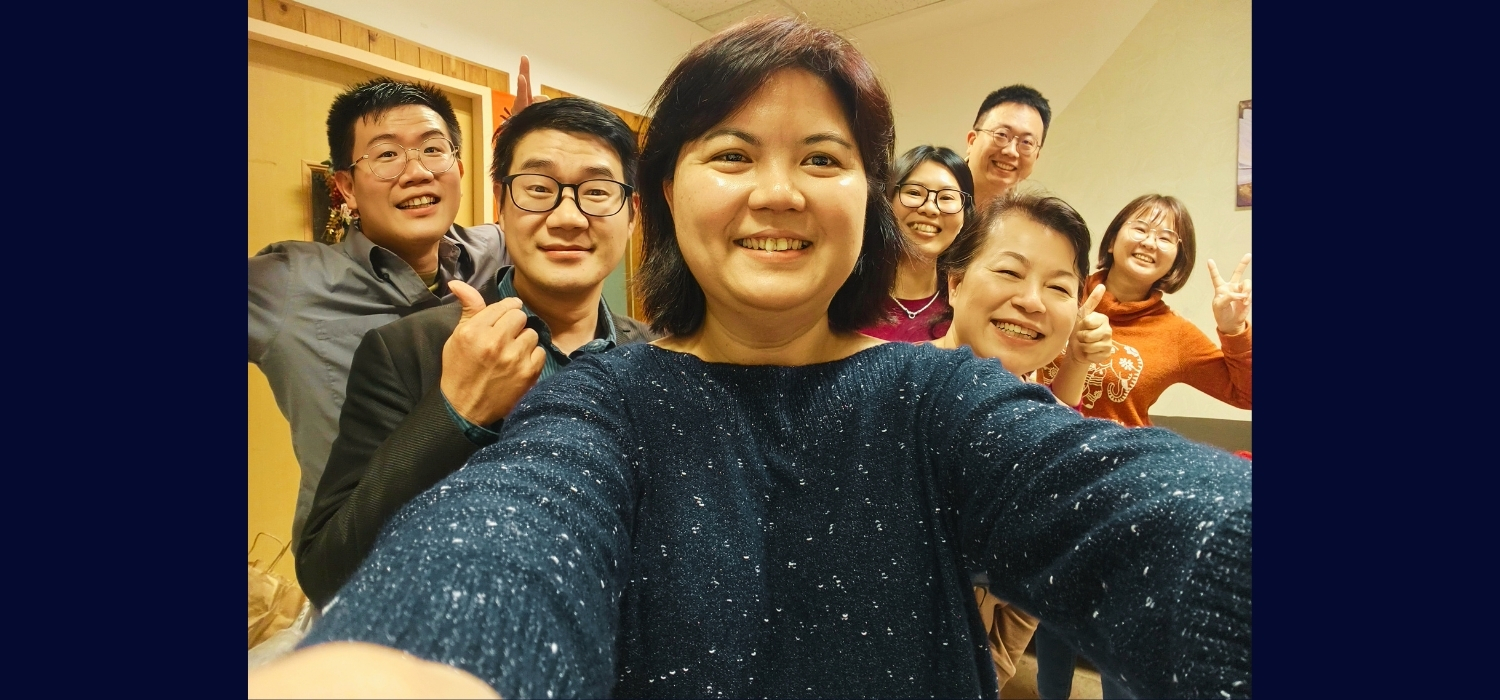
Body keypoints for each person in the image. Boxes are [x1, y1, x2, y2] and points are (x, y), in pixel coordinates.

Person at [250, 17, 1251, 699]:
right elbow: (508, 535)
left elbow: (1136, 513)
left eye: (822, 158)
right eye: (731, 154)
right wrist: (408, 659)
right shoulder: (601, 400)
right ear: (668, 196)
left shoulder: (936, 397)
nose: (778, 191)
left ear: (870, 201)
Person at [294, 97, 660, 609]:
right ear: (500, 205)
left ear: (632, 215)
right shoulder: (410, 348)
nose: (568, 217)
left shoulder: (657, 357)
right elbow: (326, 570)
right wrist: (455, 411)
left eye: (597, 192)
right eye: (538, 189)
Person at [1032, 194, 1252, 699]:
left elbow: (1246, 393)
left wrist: (1234, 329)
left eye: (1167, 237)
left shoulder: (1174, 335)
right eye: (1141, 227)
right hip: (1046, 475)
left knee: (1117, 622)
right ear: (1113, 237)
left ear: (1178, 260)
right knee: (1050, 617)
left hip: (1119, 492)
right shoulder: (1063, 290)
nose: (1151, 241)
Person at [929, 191, 1112, 693]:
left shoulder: (1045, 432)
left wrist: (987, 670)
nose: (1032, 301)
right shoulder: (885, 391)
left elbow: (1022, 599)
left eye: (1058, 287)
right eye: (1010, 272)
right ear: (955, 282)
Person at [858, 146, 973, 341]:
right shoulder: (844, 293)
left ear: (964, 217)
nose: (930, 208)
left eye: (946, 197)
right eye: (914, 192)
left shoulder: (967, 310)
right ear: (887, 202)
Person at [965, 85, 1051, 208]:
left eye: (1026, 142)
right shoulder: (936, 189)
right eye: (1002, 135)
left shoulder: (1024, 216)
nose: (1011, 151)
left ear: (1036, 156)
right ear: (972, 141)